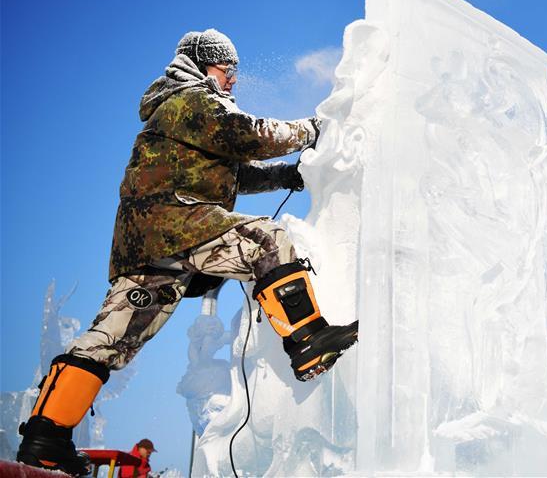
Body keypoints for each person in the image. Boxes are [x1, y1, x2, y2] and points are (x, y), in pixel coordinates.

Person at [17, 29, 358, 475]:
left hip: (148, 245)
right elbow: (247, 135)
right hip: (175, 221)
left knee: (111, 338)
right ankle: (308, 339)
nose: (232, 79)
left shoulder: (179, 114)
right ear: (201, 65)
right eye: (226, 69)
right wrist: (313, 131)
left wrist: (287, 176)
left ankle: (46, 438)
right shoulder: (190, 99)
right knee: (264, 241)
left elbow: (235, 175)